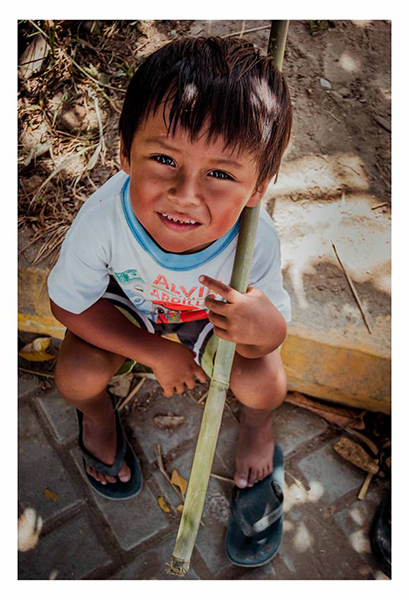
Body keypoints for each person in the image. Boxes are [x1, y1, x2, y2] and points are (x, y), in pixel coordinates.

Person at [48, 37, 292, 515]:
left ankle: (258, 425)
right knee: (75, 377)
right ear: (125, 153)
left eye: (220, 174)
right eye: (164, 160)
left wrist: (262, 330)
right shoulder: (103, 220)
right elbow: (69, 304)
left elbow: (269, 337)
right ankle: (96, 416)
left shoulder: (255, 240)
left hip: (210, 318)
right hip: (127, 305)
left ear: (258, 187)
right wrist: (155, 352)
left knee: (264, 383)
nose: (185, 194)